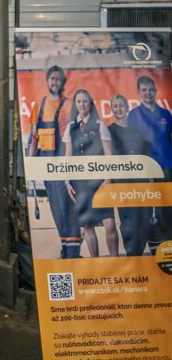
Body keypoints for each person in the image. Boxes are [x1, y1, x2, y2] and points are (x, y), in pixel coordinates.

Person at [27, 65, 80, 258]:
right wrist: (31, 164)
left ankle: (73, 251)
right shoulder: (39, 106)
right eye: (52, 78)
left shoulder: (70, 105)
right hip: (47, 167)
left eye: (58, 78)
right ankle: (65, 247)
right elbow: (34, 138)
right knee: (56, 208)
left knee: (68, 207)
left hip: (65, 165)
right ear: (47, 81)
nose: (55, 82)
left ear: (62, 82)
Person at [62, 89, 117, 258]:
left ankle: (115, 261)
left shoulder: (100, 125)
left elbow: (109, 155)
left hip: (100, 181)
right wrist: (67, 181)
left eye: (85, 101)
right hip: (79, 183)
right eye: (79, 101)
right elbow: (68, 156)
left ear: (91, 104)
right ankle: (96, 261)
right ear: (75, 104)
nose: (82, 104)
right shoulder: (70, 127)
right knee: (86, 225)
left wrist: (108, 178)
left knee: (109, 223)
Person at [126, 75, 172, 249]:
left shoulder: (166, 114)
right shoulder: (133, 115)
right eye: (144, 90)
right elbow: (133, 144)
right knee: (154, 210)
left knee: (168, 208)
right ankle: (158, 248)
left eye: (151, 89)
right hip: (148, 169)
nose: (148, 93)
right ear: (138, 92)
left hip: (168, 168)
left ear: (156, 91)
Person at [109, 94, 150, 256]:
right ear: (111, 109)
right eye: (115, 106)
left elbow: (145, 156)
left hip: (141, 183)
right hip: (122, 183)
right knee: (128, 222)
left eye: (121, 105)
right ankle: (132, 254)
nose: (118, 109)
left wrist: (150, 179)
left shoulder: (137, 132)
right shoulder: (109, 131)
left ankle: (138, 253)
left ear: (127, 108)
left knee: (143, 220)